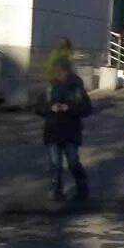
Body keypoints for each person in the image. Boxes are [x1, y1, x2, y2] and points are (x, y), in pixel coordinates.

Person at [35, 60, 92, 202]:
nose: (60, 74)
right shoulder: (49, 87)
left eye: (63, 71)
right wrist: (50, 108)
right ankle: (57, 191)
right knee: (55, 164)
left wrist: (69, 108)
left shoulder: (76, 87)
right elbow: (39, 108)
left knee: (73, 162)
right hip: (53, 130)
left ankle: (82, 188)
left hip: (71, 131)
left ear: (68, 72)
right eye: (58, 71)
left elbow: (87, 109)